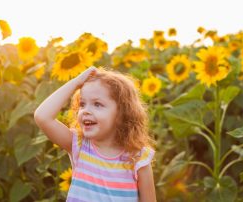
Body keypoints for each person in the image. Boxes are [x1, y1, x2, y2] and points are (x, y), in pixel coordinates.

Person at [34, 66, 157, 202]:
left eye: (97, 104)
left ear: (122, 113)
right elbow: (42, 117)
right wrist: (76, 82)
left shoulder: (138, 158)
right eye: (82, 104)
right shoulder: (79, 145)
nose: (86, 111)